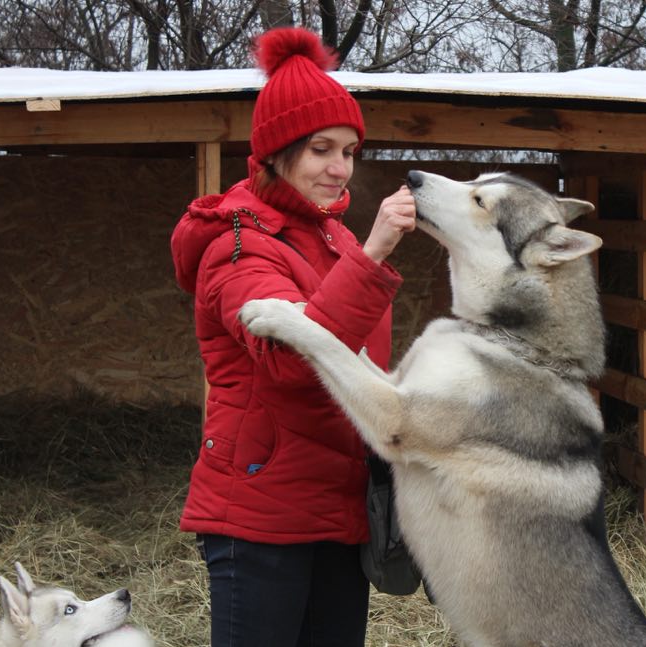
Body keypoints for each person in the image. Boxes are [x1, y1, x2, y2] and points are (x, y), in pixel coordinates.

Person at [169, 26, 416, 647]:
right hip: (261, 513)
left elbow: (361, 361)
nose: (340, 169)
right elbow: (293, 365)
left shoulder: (333, 237)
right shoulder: (235, 244)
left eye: (350, 151)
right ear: (278, 152)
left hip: (338, 506)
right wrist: (378, 248)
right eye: (321, 150)